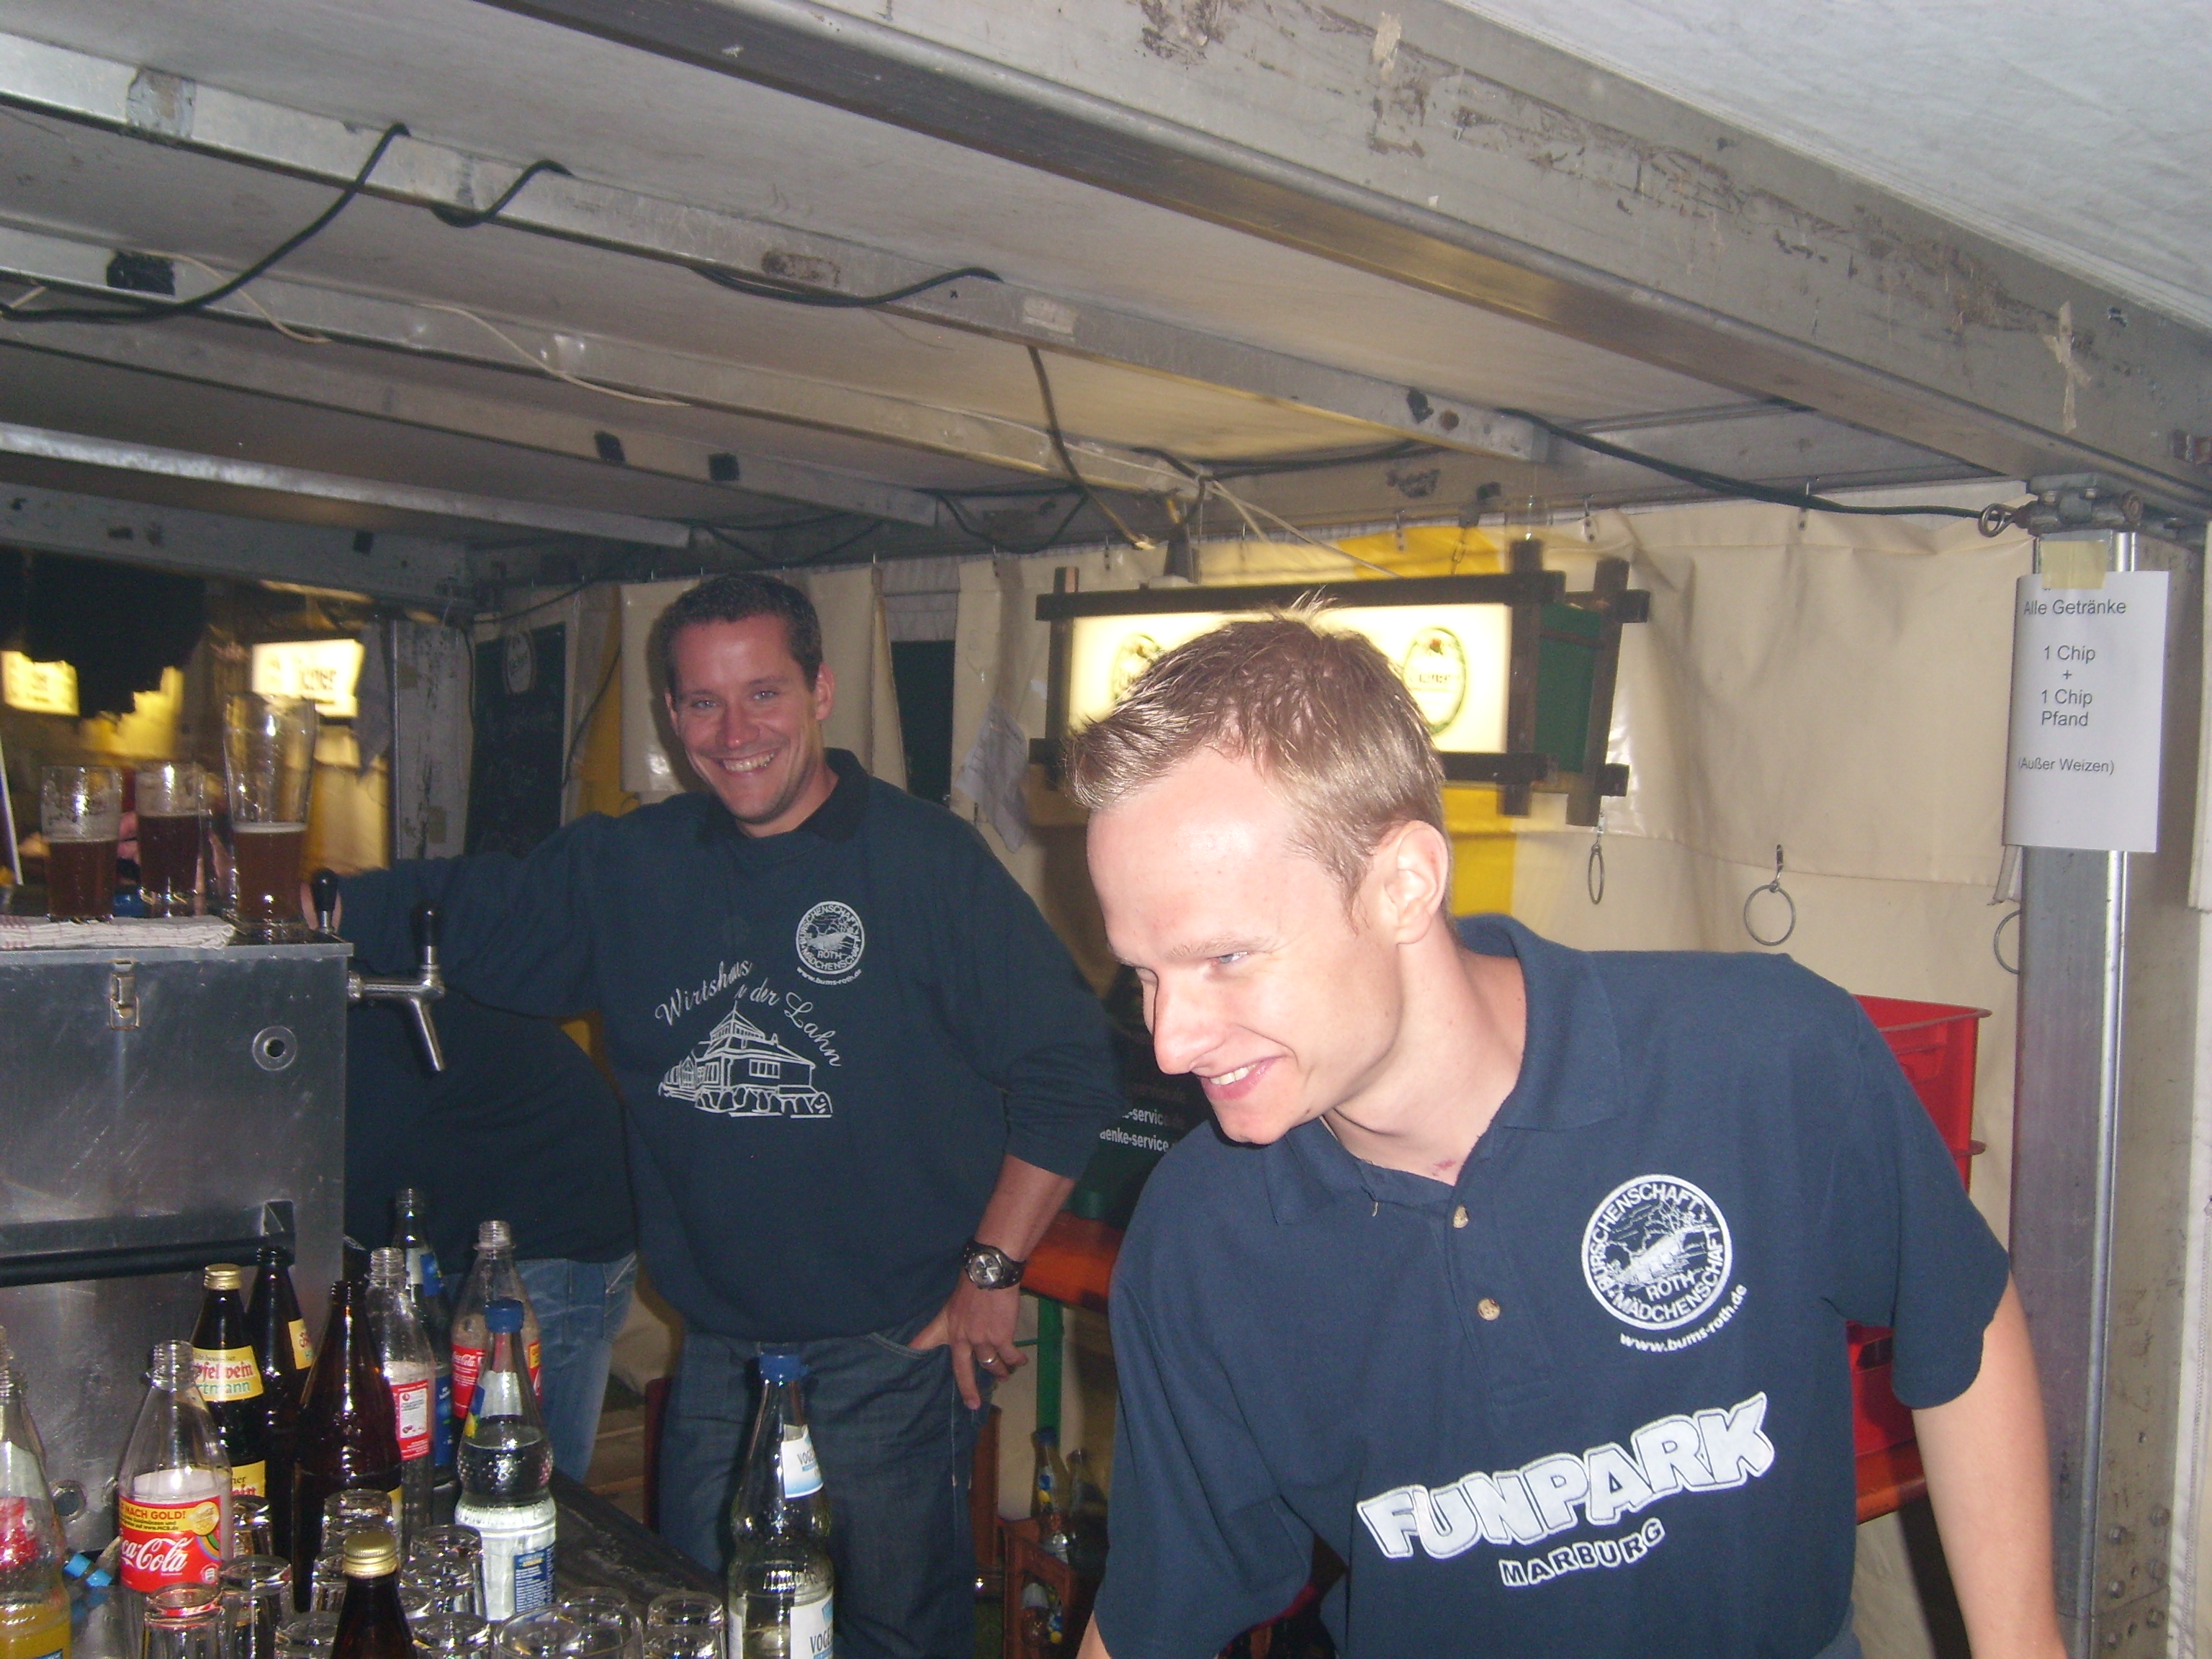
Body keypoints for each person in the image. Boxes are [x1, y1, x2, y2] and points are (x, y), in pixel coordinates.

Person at [1066, 614, 2062, 1659]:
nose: (1171, 1042)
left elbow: (1959, 1319)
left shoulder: (1758, 1058)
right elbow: (1158, 1612)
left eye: (1224, 958)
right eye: (1146, 974)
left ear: (1404, 884)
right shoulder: (1202, 1235)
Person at [334, 574, 1122, 1659]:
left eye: (764, 694)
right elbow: (466, 910)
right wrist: (310, 908)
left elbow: (1070, 1067)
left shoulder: (924, 862)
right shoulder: (630, 866)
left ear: (822, 691)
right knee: (705, 1625)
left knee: (893, 1638)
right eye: (703, 702)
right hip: (723, 1355)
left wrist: (993, 1269)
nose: (735, 732)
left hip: (893, 1347)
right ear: (671, 714)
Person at [344, 989, 637, 1479]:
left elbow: (320, 1173)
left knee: (523, 1480)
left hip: (545, 1248)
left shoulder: (379, 1013)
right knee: (452, 1466)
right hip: (464, 1241)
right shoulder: (368, 1005)